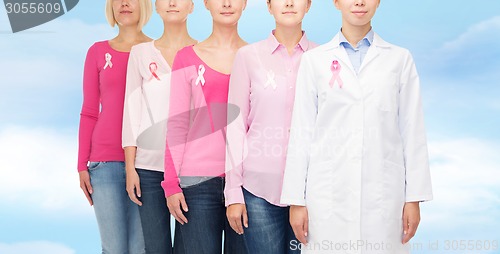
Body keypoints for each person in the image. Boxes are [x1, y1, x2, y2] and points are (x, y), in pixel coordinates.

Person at [280, 0, 433, 253]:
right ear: (337, 2)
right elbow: (301, 133)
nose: (359, 2)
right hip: (328, 195)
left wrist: (413, 198)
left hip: (383, 196)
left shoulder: (399, 59)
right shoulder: (314, 61)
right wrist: (296, 200)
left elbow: (413, 131)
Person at [224, 0, 317, 253]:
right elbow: (235, 127)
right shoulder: (248, 57)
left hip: (311, 191)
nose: (288, 3)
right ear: (268, 6)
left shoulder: (322, 59)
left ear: (308, 5)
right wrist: (233, 193)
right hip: (258, 190)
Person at [161, 0, 248, 253]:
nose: (227, 3)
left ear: (244, 3)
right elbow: (177, 123)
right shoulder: (186, 57)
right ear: (206, 4)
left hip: (245, 182)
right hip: (196, 183)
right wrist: (171, 183)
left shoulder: (255, 58)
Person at [122, 0, 197, 253]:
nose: (172, 3)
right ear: (156, 7)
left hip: (191, 170)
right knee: (156, 248)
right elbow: (131, 113)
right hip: (148, 169)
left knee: (190, 247)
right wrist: (131, 168)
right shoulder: (141, 53)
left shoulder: (203, 52)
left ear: (192, 6)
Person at [77, 0, 152, 253]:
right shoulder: (97, 52)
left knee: (140, 248)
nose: (124, 3)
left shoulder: (156, 51)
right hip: (103, 164)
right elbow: (89, 112)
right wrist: (81, 165)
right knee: (114, 249)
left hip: (146, 164)